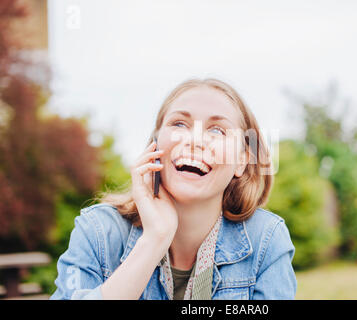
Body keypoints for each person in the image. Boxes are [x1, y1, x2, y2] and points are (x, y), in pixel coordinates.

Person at [50, 78, 297, 300]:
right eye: (179, 124)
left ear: (242, 161)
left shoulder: (266, 239)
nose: (195, 140)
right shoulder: (98, 231)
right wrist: (154, 239)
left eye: (217, 130)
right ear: (155, 145)